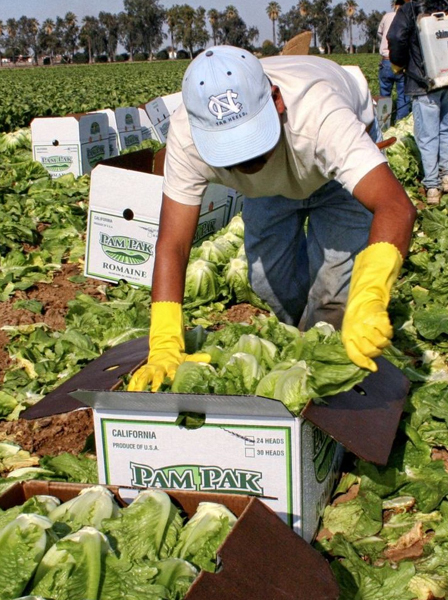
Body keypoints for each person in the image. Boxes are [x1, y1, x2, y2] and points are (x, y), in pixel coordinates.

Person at [128, 46, 418, 391]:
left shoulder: (321, 116)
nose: (243, 156)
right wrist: (163, 342)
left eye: (251, 140)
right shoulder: (187, 135)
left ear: (277, 101)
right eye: (227, 148)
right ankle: (305, 337)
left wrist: (370, 295)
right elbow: (173, 243)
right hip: (266, 188)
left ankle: (329, 368)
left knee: (336, 299)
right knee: (268, 281)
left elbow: (395, 206)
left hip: (331, 174)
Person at [387, 0, 448, 206]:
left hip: (424, 82)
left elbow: (396, 37)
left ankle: (432, 187)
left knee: (428, 136)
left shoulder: (409, 9)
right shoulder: (444, 3)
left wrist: (399, 63)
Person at [376, 0, 409, 123]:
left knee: (384, 96)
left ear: (395, 5)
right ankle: (401, 123)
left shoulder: (387, 16)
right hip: (400, 62)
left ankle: (383, 124)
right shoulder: (406, 18)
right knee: (403, 95)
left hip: (385, 60)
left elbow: (380, 33)